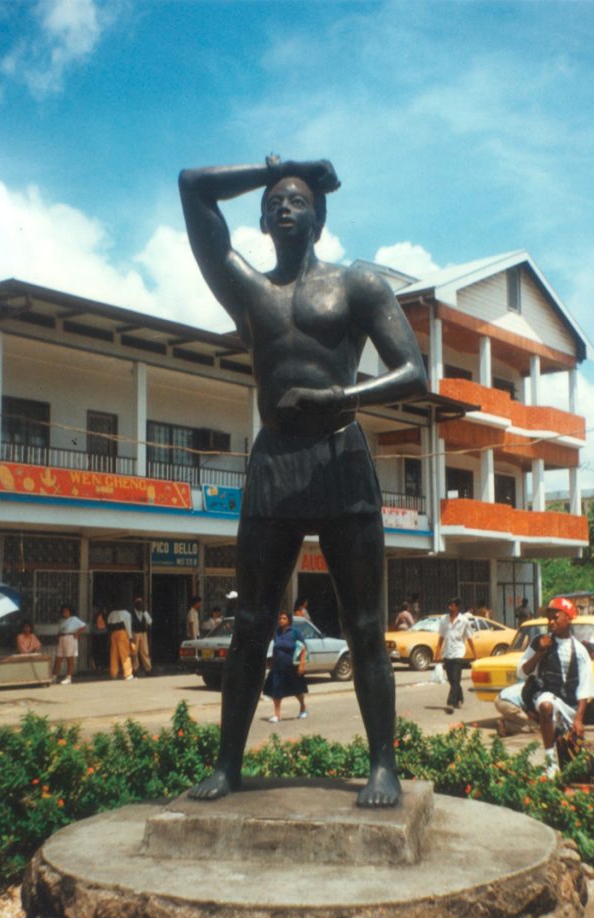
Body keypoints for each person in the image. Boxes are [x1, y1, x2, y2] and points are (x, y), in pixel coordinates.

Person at [179, 156, 427, 806]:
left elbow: (414, 372)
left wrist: (340, 398)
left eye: (297, 199)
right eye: (275, 202)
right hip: (275, 465)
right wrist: (283, 165)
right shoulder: (249, 291)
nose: (285, 206)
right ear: (262, 221)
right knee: (252, 623)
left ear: (318, 216)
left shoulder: (357, 284)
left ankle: (383, 767)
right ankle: (229, 766)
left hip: (341, 454)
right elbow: (194, 188)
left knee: (366, 624)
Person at [518, 596, 594, 778]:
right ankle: (550, 763)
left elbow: (585, 688)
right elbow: (523, 672)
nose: (551, 622)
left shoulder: (580, 650)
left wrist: (578, 720)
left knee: (575, 761)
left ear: (568, 618)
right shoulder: (540, 641)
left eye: (556, 617)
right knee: (546, 705)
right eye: (549, 619)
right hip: (546, 697)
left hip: (568, 707)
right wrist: (539, 653)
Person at [263, 611, 308, 722]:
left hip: (291, 667)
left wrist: (302, 665)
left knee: (297, 690)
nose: (281, 620)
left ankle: (303, 707)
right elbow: (275, 648)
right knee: (276, 690)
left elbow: (303, 648)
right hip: (278, 666)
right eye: (280, 619)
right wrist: (271, 662)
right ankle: (277, 715)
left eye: (283, 618)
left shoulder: (295, 632)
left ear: (289, 620)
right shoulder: (277, 632)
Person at [434, 597, 477, 713]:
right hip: (447, 653)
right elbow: (441, 637)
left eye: (452, 605)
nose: (450, 608)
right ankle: (460, 697)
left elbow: (469, 638)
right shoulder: (444, 619)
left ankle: (450, 703)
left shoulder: (464, 620)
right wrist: (437, 653)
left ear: (457, 607)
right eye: (449, 605)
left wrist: (475, 654)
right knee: (452, 680)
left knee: (456, 678)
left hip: (458, 653)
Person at [52, 605, 86, 685]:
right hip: (62, 638)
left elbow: (83, 626)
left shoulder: (74, 619)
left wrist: (77, 633)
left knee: (69, 659)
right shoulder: (62, 621)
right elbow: (60, 631)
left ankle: (68, 678)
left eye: (66, 611)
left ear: (70, 612)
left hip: (70, 637)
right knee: (58, 658)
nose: (65, 613)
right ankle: (54, 677)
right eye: (63, 611)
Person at [107, 602, 136, 682]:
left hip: (113, 634)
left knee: (114, 654)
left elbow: (108, 624)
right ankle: (128, 674)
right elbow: (128, 626)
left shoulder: (112, 614)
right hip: (122, 633)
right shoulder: (126, 614)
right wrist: (130, 638)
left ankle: (113, 674)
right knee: (125, 654)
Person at [131, 596, 153, 675]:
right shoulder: (132, 613)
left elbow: (150, 622)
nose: (140, 605)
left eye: (141, 604)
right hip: (135, 633)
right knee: (134, 652)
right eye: (138, 604)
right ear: (135, 604)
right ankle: (135, 669)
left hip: (143, 633)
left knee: (144, 651)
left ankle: (148, 669)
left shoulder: (144, 613)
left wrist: (145, 612)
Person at [90, 606, 108, 670]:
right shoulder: (100, 615)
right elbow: (101, 626)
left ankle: (98, 665)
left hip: (97, 634)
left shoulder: (96, 616)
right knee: (101, 650)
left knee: (98, 650)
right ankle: (99, 665)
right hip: (101, 634)